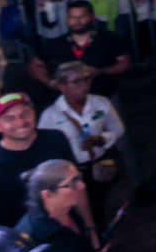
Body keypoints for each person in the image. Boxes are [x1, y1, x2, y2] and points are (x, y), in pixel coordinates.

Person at [0, 94, 88, 236]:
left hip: (66, 234)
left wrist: (90, 229)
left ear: (34, 114)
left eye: (25, 114)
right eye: (10, 118)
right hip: (14, 243)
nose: (21, 122)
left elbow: (78, 188)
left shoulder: (56, 139)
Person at [37, 62, 126, 224]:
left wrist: (102, 139)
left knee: (106, 208)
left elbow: (118, 129)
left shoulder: (101, 103)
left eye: (87, 79)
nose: (84, 85)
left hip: (102, 165)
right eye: (77, 81)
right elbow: (44, 148)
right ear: (62, 86)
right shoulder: (50, 116)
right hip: (72, 173)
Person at [30, 0, 131, 99]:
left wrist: (101, 71)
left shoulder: (109, 39)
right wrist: (49, 82)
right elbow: (35, 65)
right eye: (72, 17)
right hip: (68, 101)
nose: (77, 21)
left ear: (92, 17)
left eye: (82, 17)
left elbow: (125, 63)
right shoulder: (57, 43)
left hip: (105, 96)